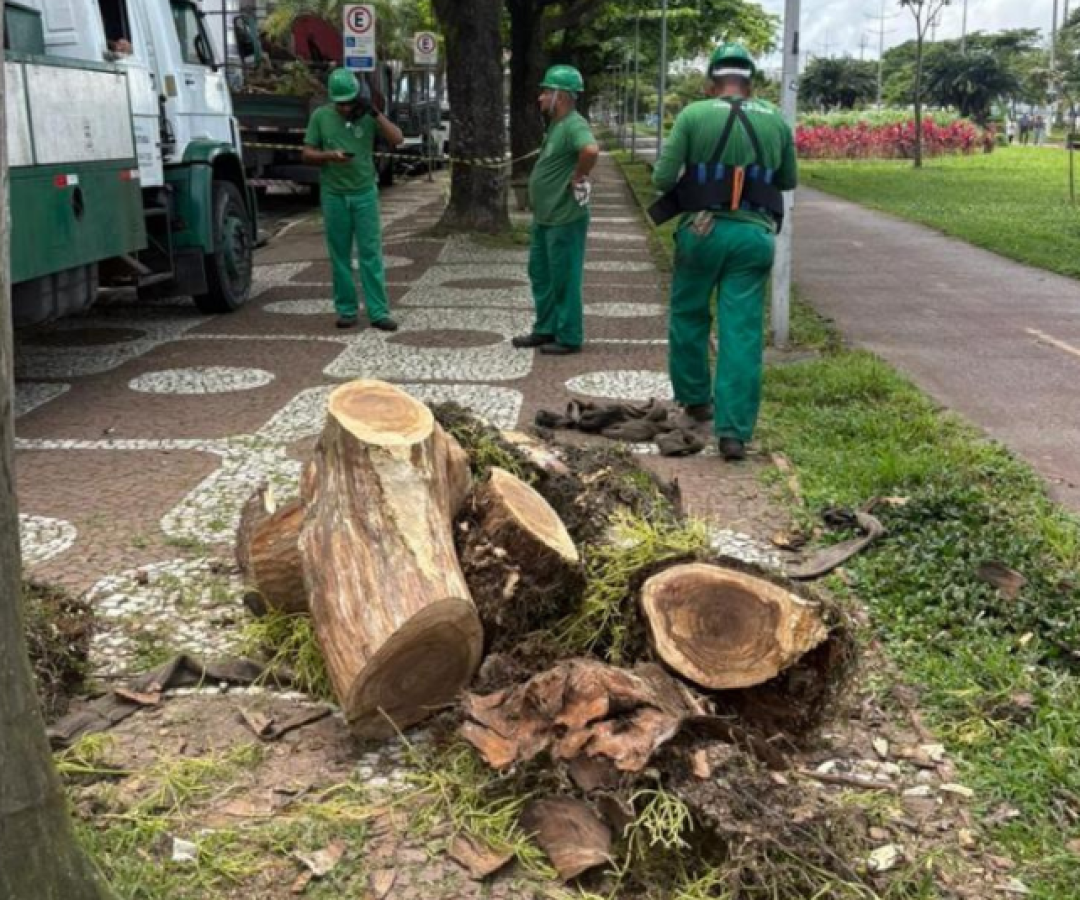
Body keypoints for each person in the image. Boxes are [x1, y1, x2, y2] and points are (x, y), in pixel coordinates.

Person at [651, 43, 797, 461]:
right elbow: (786, 180)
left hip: (702, 231)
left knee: (689, 314)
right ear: (750, 82)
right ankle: (733, 434)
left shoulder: (694, 115)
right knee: (742, 331)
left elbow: (663, 178)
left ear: (713, 80)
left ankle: (696, 400)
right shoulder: (776, 121)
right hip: (753, 236)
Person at [302, 68, 404, 330]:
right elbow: (307, 153)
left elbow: (398, 139)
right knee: (340, 255)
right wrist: (329, 156)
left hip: (364, 193)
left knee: (371, 253)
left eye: (350, 102)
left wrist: (375, 113)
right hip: (334, 194)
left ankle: (378, 311)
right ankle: (346, 310)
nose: (346, 108)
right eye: (341, 103)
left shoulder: (367, 117)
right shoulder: (320, 117)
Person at [511, 65, 600, 356]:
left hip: (564, 217)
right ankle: (545, 327)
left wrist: (578, 176)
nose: (540, 97)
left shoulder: (574, 124)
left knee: (564, 276)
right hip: (545, 218)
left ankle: (569, 335)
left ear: (560, 96)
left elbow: (590, 150)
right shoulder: (557, 125)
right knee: (541, 273)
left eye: (546, 92)